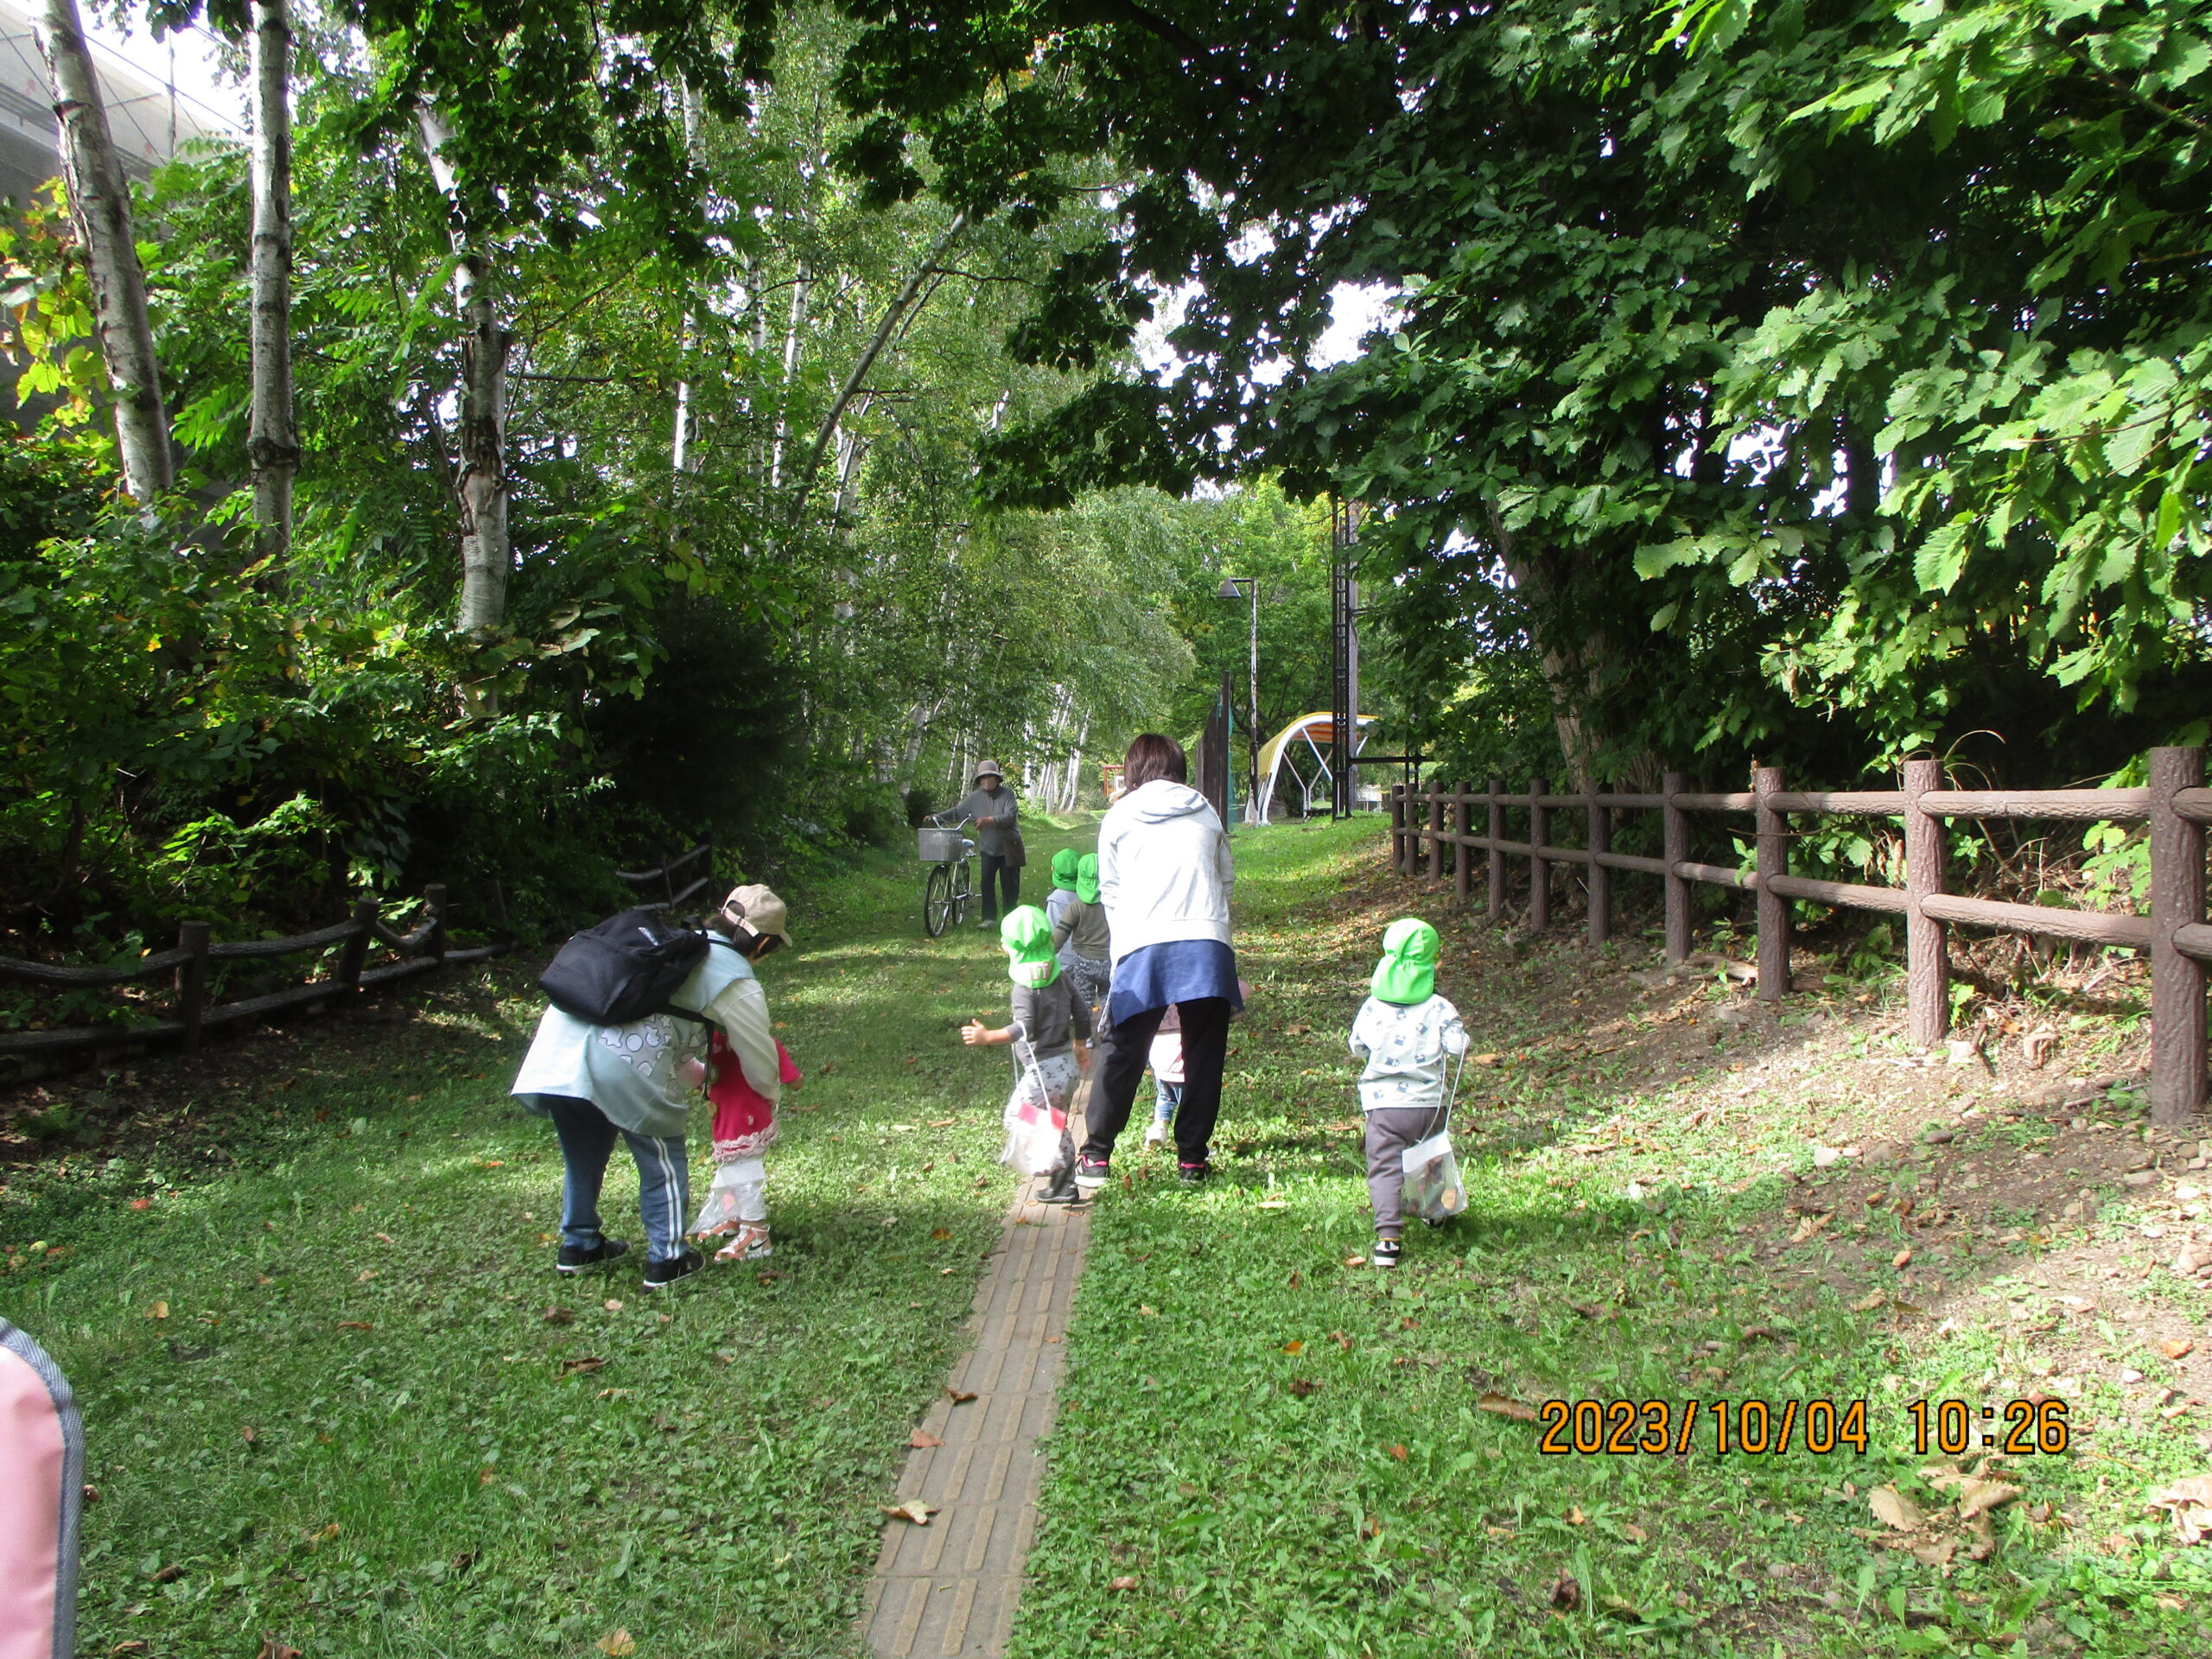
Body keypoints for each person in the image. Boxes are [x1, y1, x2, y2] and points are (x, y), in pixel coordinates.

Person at [511, 885, 792, 1291]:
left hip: (558, 1049)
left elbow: (667, 1032)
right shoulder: (734, 978)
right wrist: (768, 1096)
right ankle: (668, 1258)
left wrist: (704, 1079)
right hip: (619, 1058)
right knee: (661, 1156)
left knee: (583, 1152)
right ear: (764, 943)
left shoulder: (676, 946)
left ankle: (579, 1245)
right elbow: (760, 1058)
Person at [1075, 734, 1240, 1193]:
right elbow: (1225, 879)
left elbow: (1110, 890)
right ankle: (1192, 1161)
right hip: (1206, 943)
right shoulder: (1206, 811)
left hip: (1143, 943)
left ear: (1132, 770)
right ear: (1179, 767)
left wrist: (1125, 947)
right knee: (1203, 1054)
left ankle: (1095, 1156)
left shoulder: (1119, 816)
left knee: (1123, 1048)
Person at [1348, 918, 1467, 1268]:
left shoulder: (1372, 1006)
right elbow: (1457, 1047)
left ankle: (1388, 1238)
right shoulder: (1441, 1007)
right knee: (1429, 1157)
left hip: (1384, 1107)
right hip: (1429, 1104)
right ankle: (1435, 1210)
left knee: (1384, 1167)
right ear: (1432, 962)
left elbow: (1357, 1046)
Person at [961, 906, 1091, 1204]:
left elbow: (1023, 1027)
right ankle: (1065, 1186)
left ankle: (1052, 1161)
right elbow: (1083, 1013)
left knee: (1014, 1117)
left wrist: (988, 1036)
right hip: (1065, 1068)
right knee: (1055, 1120)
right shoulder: (1060, 978)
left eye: (1005, 943)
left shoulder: (1023, 988)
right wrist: (1080, 1045)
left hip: (1042, 1072)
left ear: (1012, 948)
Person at [688, 1026, 800, 1262]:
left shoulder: (758, 1041)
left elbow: (793, 1080)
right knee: (730, 1171)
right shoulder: (717, 1040)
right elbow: (705, 1079)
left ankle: (756, 1232)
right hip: (725, 1120)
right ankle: (733, 1216)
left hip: (747, 1121)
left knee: (744, 1172)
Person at [944, 759, 1020, 925]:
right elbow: (958, 812)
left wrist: (989, 820)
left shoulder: (1008, 794)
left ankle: (1011, 921)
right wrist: (937, 817)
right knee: (986, 882)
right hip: (988, 848)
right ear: (979, 781)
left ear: (997, 779)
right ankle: (989, 918)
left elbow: (1011, 816)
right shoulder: (975, 798)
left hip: (1008, 847)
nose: (987, 780)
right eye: (983, 778)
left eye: (991, 777)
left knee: (1009, 885)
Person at [1047, 848, 1113, 1035]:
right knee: (1108, 997)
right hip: (1109, 961)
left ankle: (1086, 1037)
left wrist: (1046, 955)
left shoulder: (1076, 907)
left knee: (1084, 1000)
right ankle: (1109, 1030)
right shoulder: (1112, 905)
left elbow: (1059, 936)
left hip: (1083, 963)